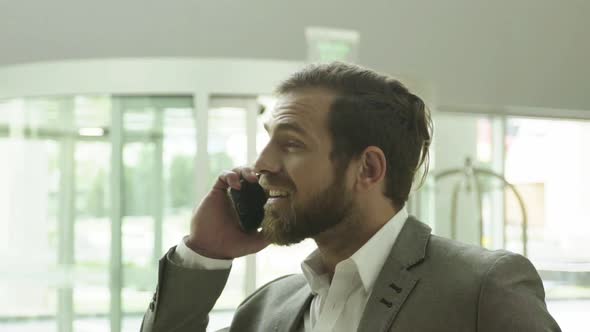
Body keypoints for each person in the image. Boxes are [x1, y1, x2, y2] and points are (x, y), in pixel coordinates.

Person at [140, 62, 561, 331]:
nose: (261, 164)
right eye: (268, 142)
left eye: (291, 144)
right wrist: (204, 254)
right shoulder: (265, 310)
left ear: (368, 169)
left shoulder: (482, 290)